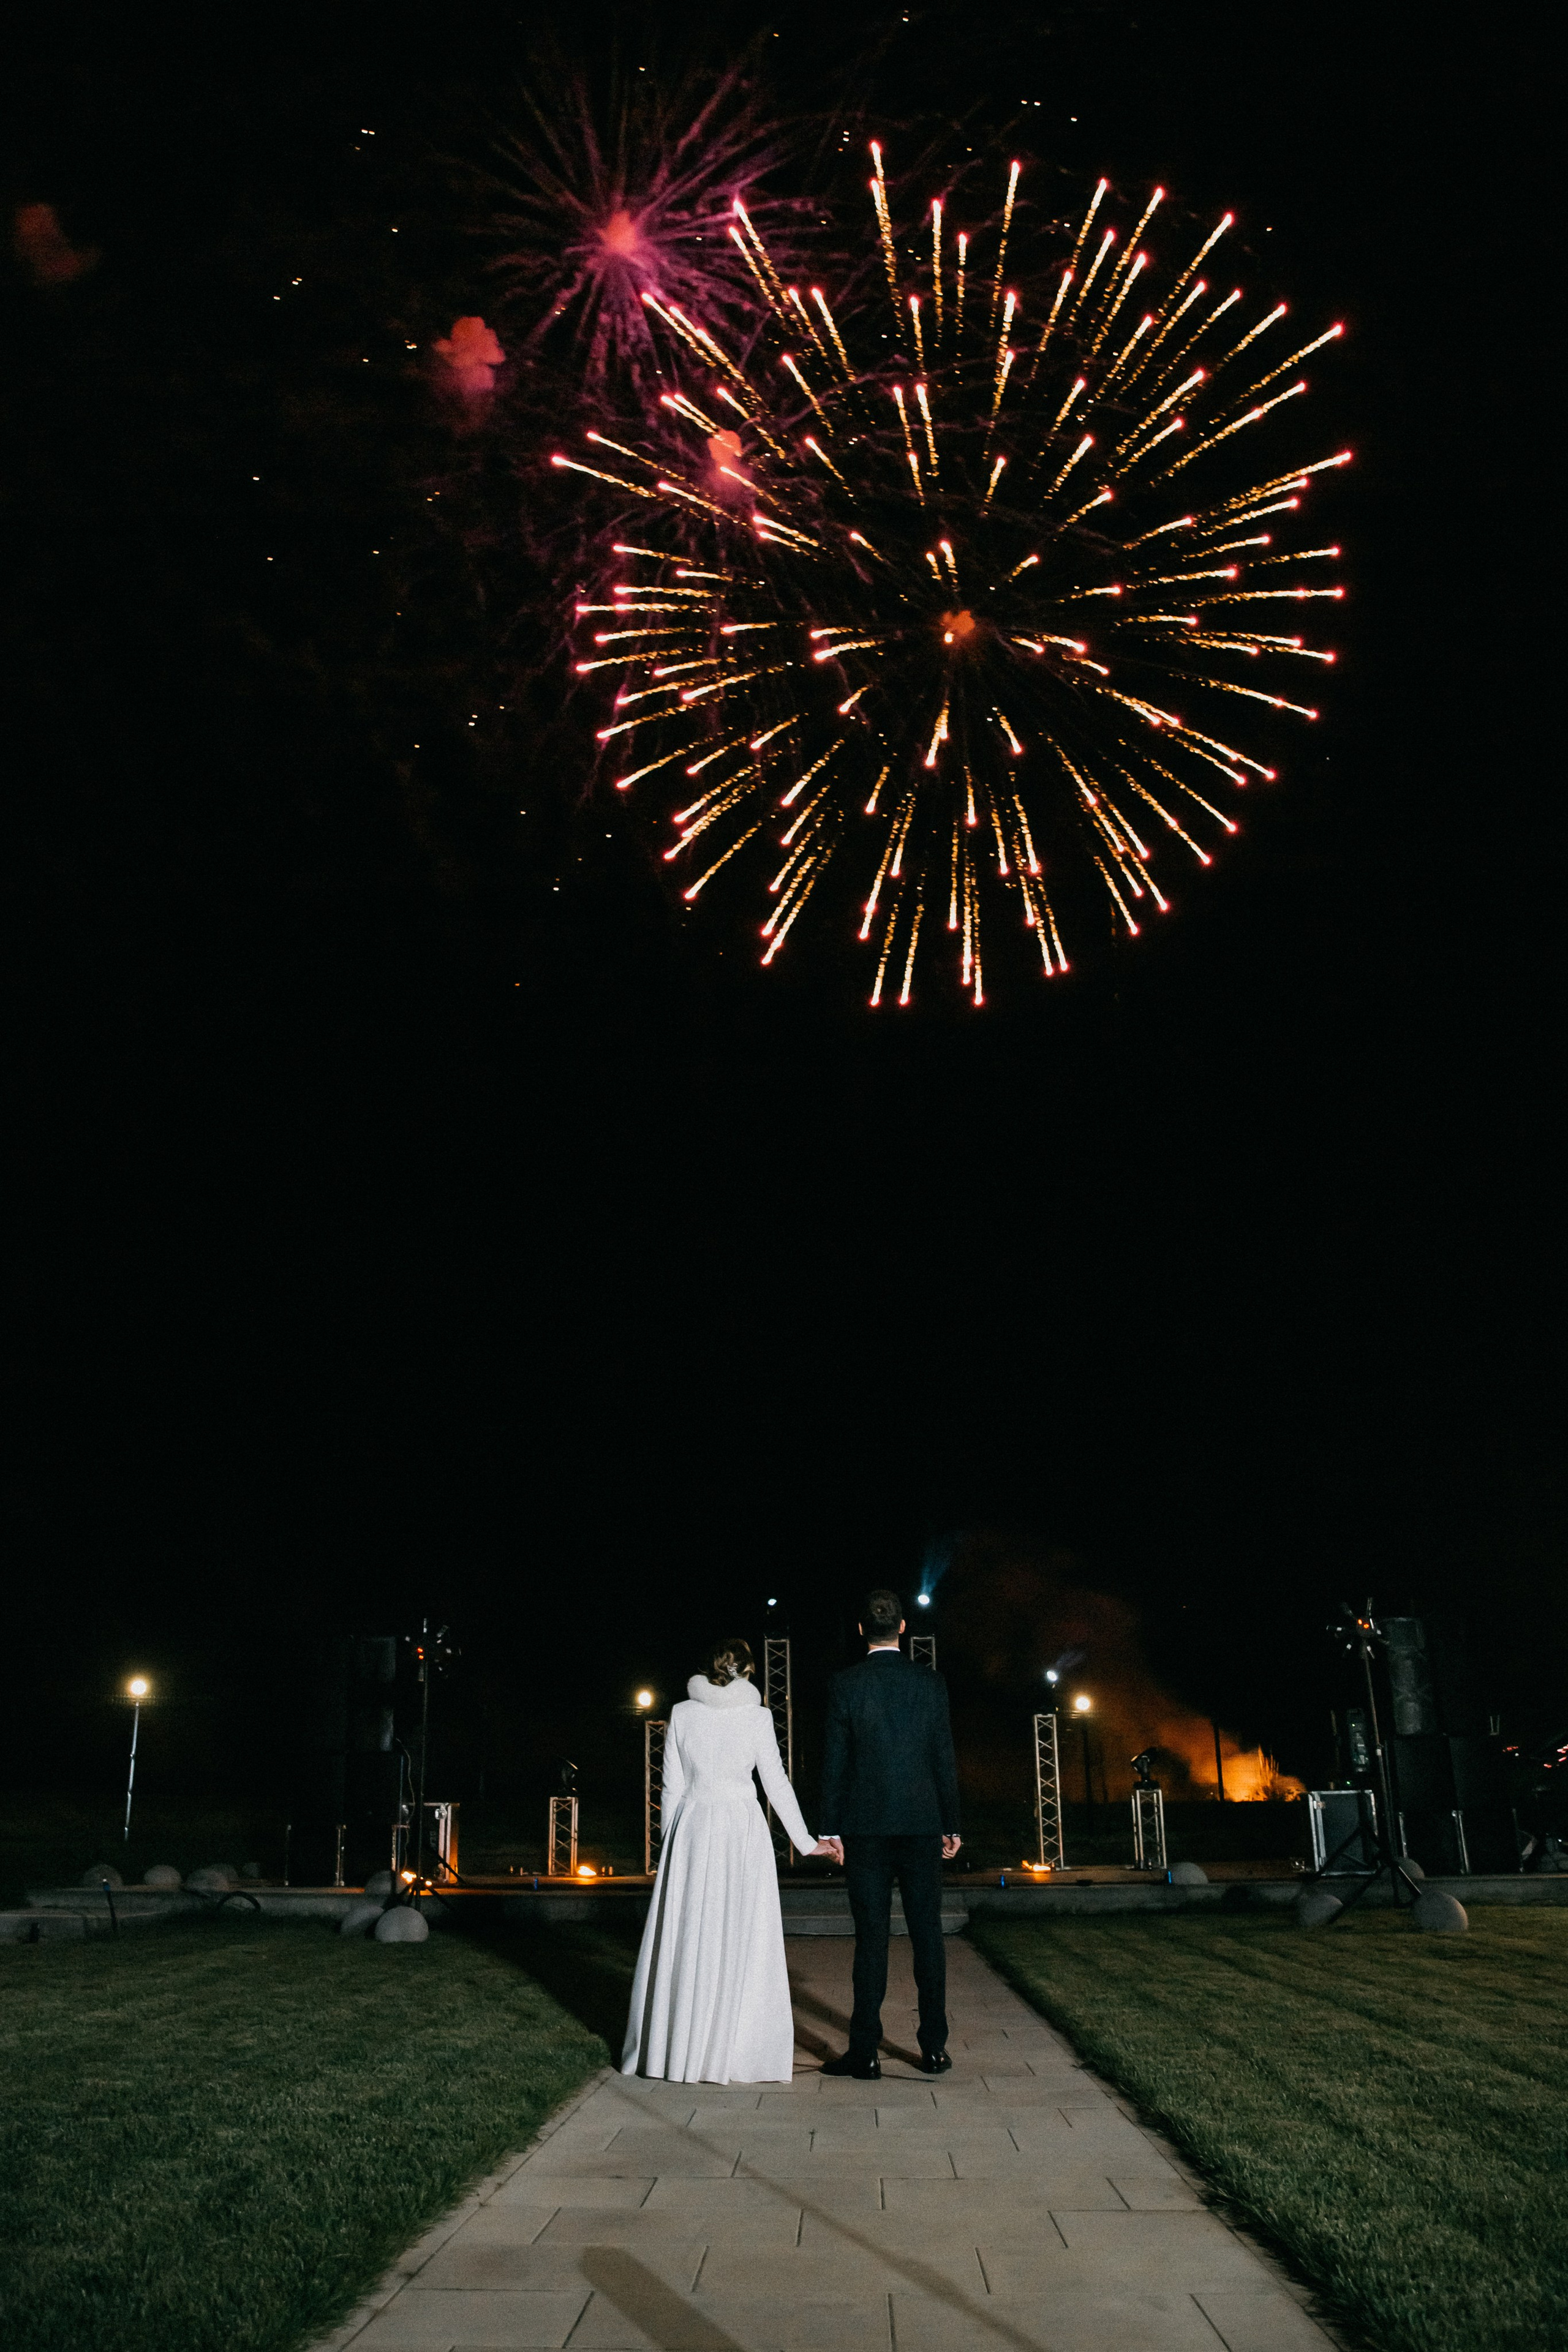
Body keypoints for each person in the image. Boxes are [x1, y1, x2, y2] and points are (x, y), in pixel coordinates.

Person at [622, 1636, 834, 2082]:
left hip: (694, 1829)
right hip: (741, 1829)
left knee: (691, 1931)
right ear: (749, 1671)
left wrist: (669, 1851)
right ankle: (739, 2049)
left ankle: (681, 2051)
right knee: (743, 1932)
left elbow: (671, 1790)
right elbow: (776, 1782)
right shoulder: (758, 1716)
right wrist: (806, 1841)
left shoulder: (681, 1713)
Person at [816, 1589, 962, 2078]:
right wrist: (952, 1824)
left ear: (862, 1631)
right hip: (921, 1826)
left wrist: (830, 1829)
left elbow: (835, 1764)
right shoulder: (932, 1683)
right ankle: (934, 2049)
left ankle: (866, 2052)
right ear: (903, 1628)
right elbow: (943, 1758)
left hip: (867, 1830)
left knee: (872, 1939)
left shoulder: (845, 1685)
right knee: (928, 1938)